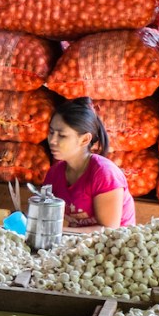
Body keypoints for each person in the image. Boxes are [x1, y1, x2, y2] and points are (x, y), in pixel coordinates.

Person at [44, 97, 136, 231]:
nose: (52, 140)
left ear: (85, 139)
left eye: (62, 135)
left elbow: (109, 231)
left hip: (115, 247)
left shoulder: (104, 173)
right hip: (80, 245)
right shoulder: (55, 173)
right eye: (51, 132)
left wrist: (57, 231)